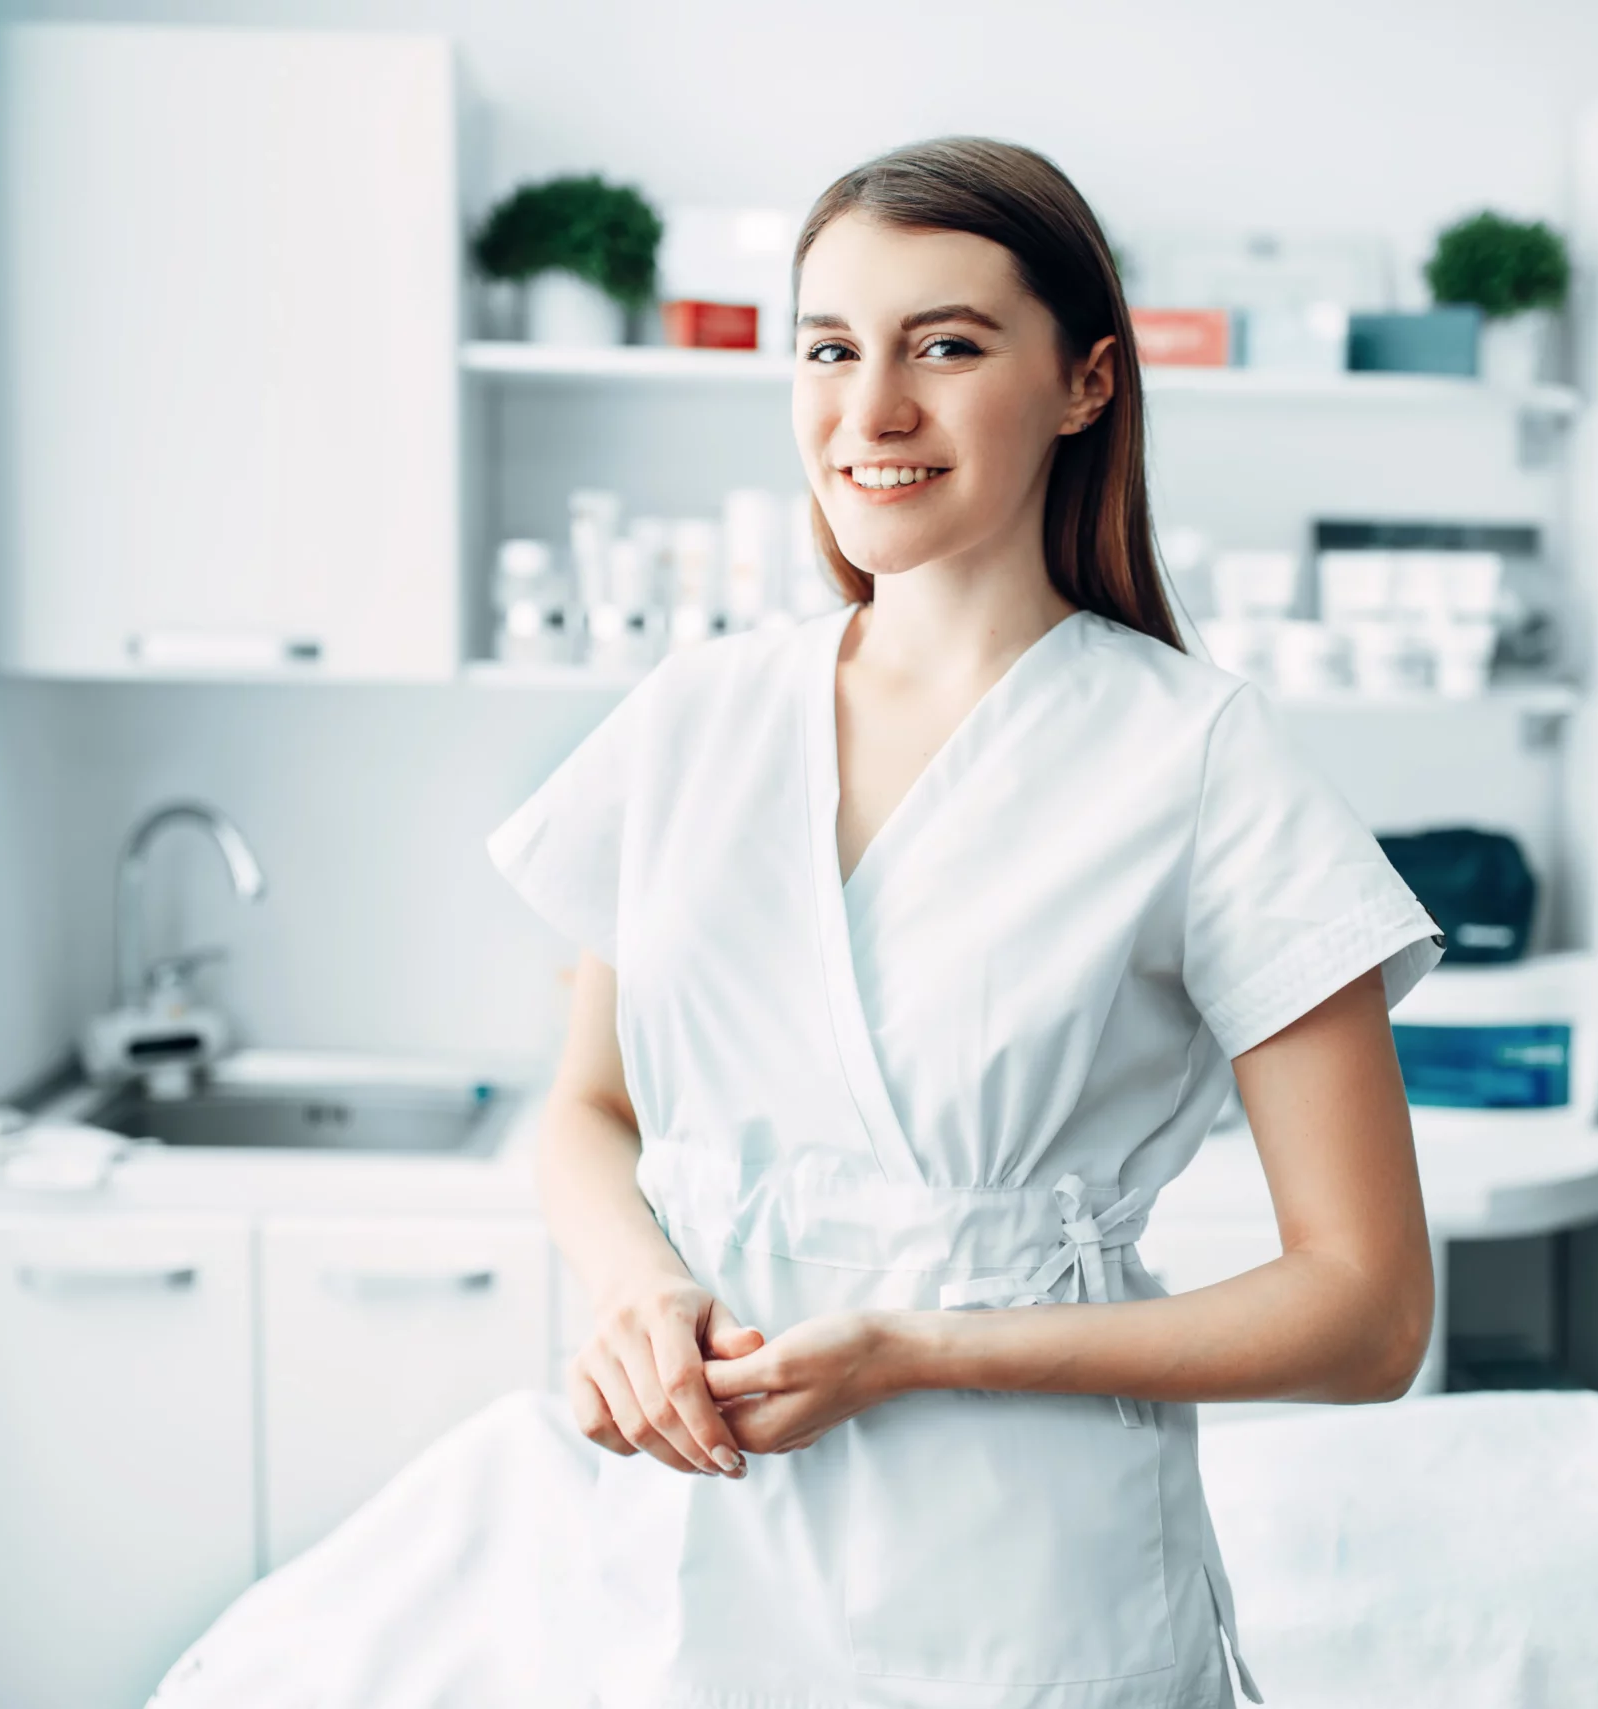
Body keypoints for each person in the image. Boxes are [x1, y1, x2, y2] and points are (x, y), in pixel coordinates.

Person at [490, 137, 1442, 1709]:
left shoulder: (1196, 760)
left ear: (1087, 384)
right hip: (694, 1550)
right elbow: (589, 1111)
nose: (870, 412)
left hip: (1028, 1584)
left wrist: (925, 1348)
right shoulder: (692, 718)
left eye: (945, 345)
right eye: (829, 349)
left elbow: (1367, 1311)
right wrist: (636, 1290)